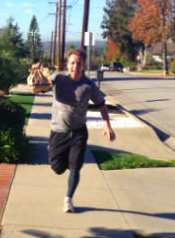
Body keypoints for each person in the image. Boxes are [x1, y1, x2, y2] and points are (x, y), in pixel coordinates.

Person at [31, 49, 116, 212]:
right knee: (57, 168)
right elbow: (36, 90)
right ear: (67, 64)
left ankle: (68, 200)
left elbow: (101, 105)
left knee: (75, 166)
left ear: (83, 65)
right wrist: (36, 73)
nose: (75, 66)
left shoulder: (88, 85)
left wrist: (107, 125)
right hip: (58, 131)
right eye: (72, 63)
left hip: (78, 132)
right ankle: (60, 155)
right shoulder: (57, 78)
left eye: (79, 63)